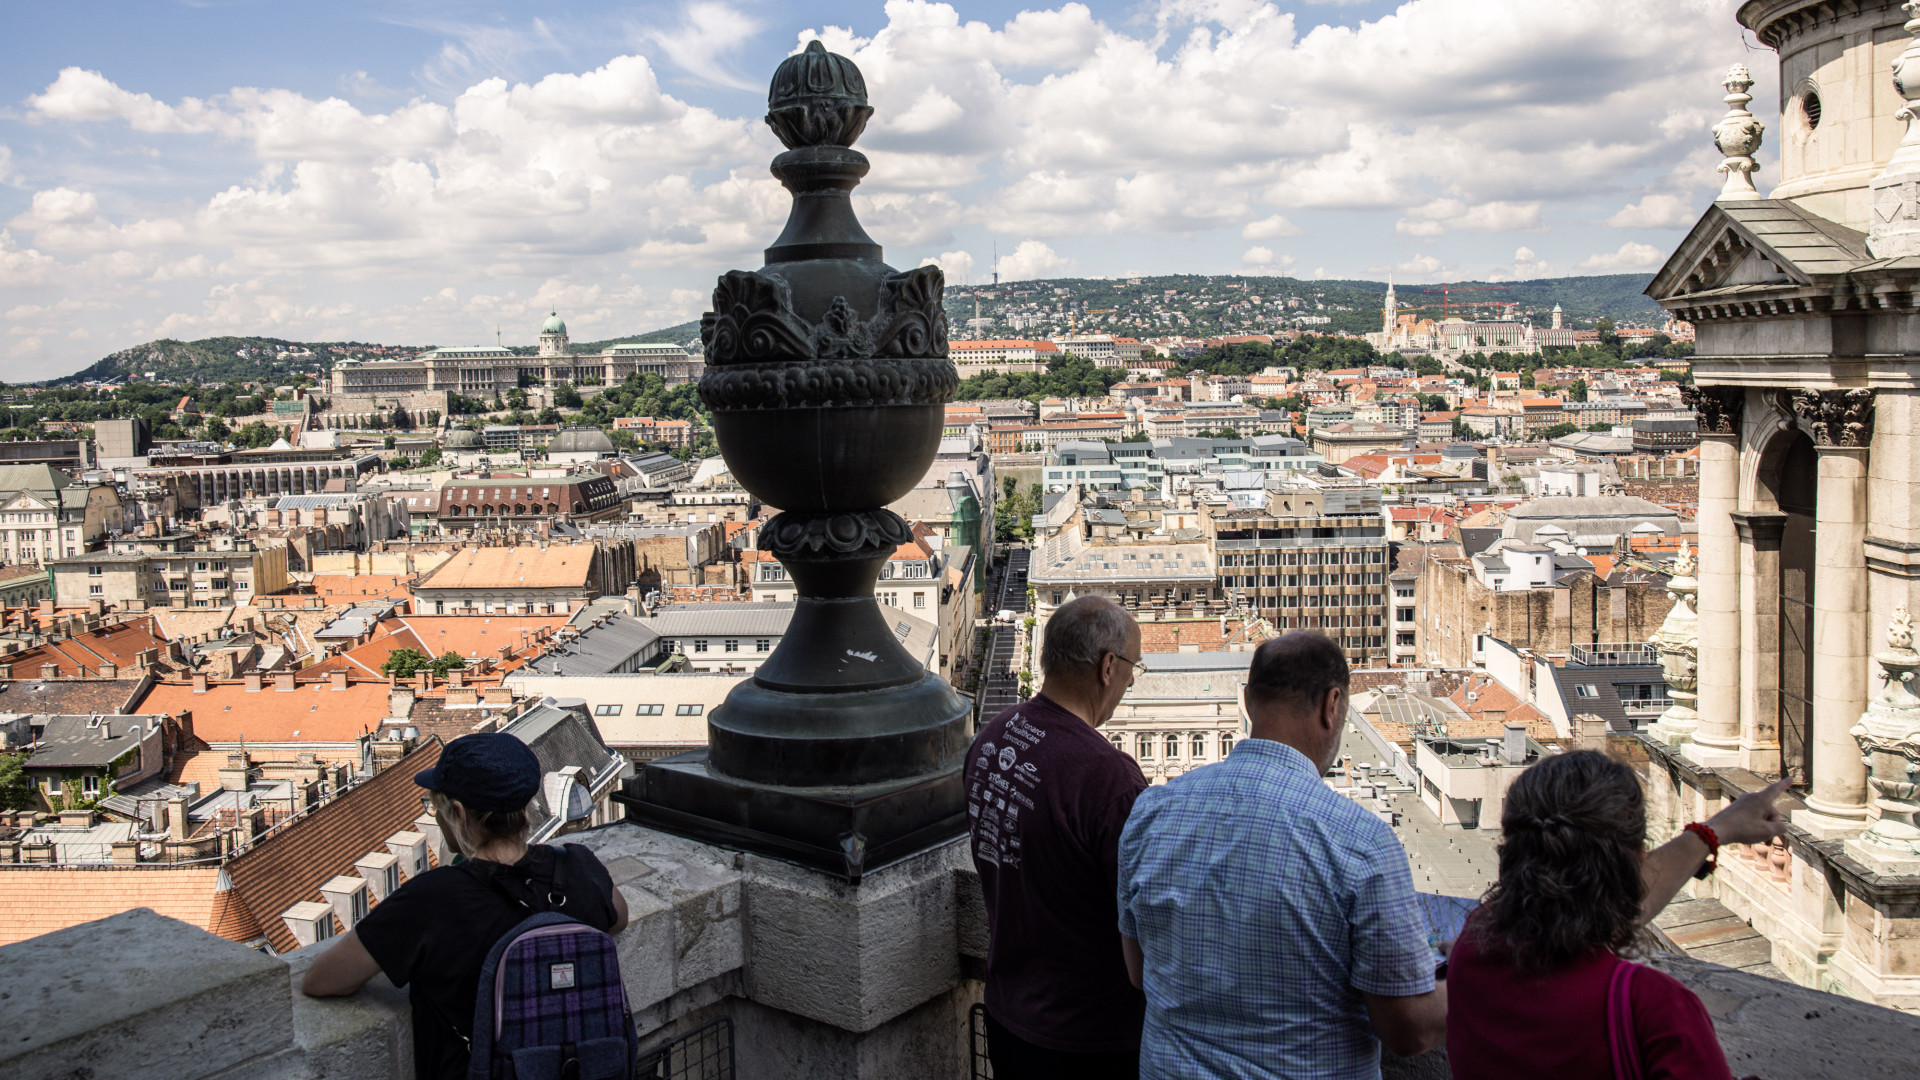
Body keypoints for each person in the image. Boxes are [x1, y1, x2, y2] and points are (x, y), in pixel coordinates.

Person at [1118, 632, 1445, 1079]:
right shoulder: (1361, 842)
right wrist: (1480, 976)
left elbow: (1138, 971)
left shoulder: (1151, 812)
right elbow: (1409, 1030)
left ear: (1249, 701)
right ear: (1333, 706)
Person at [300, 732, 630, 1080]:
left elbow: (323, 981)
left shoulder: (431, 899)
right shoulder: (578, 864)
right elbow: (618, 919)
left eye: (435, 806)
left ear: (457, 812)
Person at [1445, 750, 1788, 1079]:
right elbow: (1612, 907)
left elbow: (1589, 909)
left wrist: (1713, 831)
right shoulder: (1655, 1008)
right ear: (1637, 861)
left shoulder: (1472, 949)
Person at [967, 594, 1149, 1079]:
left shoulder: (991, 739)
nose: (1131, 681)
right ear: (1108, 666)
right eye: (1133, 667)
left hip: (1008, 1014)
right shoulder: (1109, 779)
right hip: (1089, 1036)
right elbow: (1143, 917)